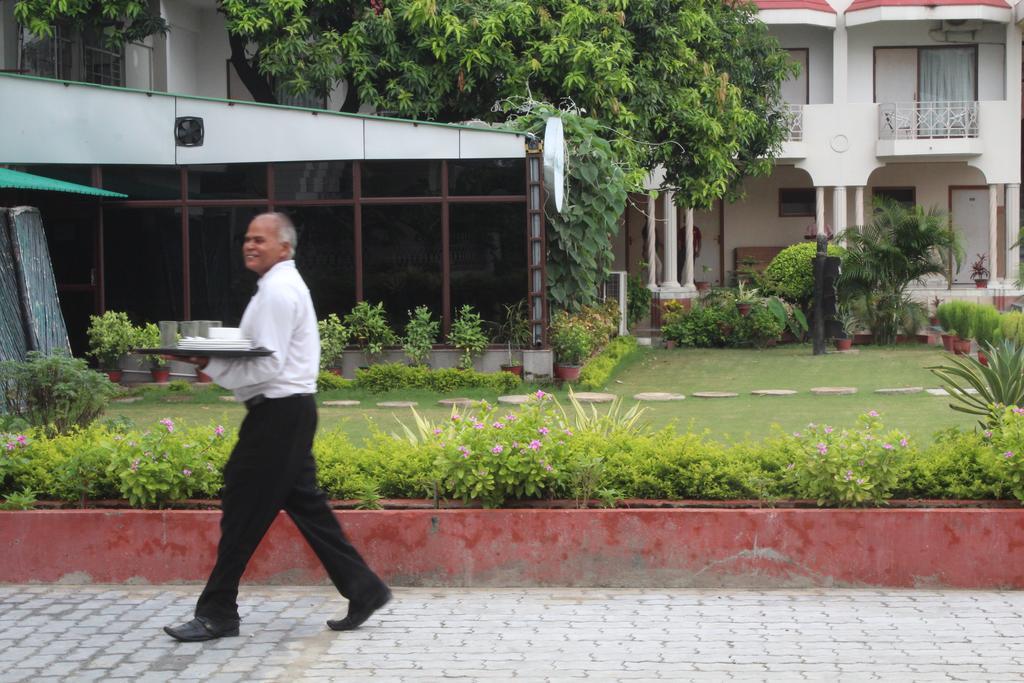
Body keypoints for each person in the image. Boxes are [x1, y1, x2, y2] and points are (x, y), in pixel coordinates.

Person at [164, 212, 391, 643]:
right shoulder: (277, 287)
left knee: (242, 508)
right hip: (286, 413)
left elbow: (268, 363)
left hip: (279, 414)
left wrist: (210, 364)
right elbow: (259, 351)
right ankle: (365, 590)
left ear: (284, 248)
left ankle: (217, 612)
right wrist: (213, 357)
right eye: (247, 239)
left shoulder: (277, 292)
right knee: (306, 508)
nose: (250, 246)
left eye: (260, 240)